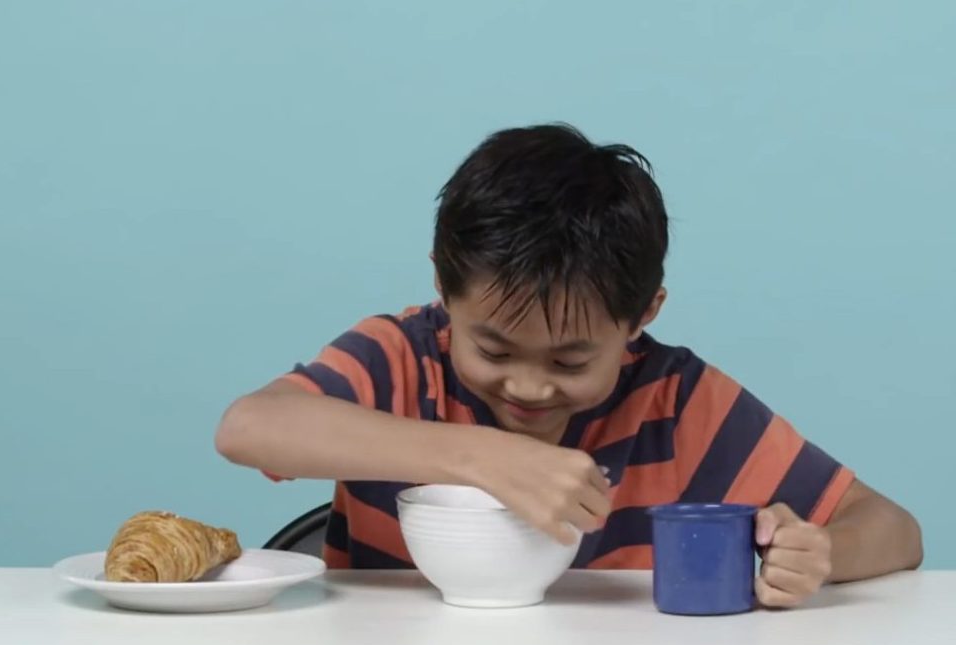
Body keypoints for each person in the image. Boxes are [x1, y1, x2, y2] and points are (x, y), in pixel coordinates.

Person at [215, 123, 922, 608]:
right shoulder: (402, 359)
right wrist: (482, 457)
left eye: (571, 358)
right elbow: (249, 427)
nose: (527, 385)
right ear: (442, 289)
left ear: (643, 315)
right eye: (492, 349)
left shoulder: (672, 403)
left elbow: (895, 527)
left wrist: (821, 552)